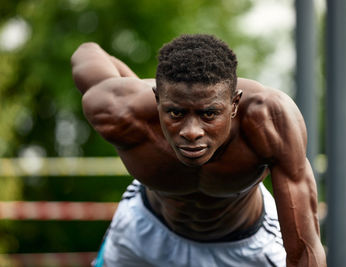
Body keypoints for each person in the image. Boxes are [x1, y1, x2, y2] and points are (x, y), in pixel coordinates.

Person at [71, 34, 326, 267]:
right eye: (176, 113)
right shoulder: (121, 111)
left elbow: (304, 249)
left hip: (245, 245)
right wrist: (136, 86)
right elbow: (87, 50)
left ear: (234, 104)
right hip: (145, 231)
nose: (191, 132)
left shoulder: (268, 121)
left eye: (209, 114)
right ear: (157, 100)